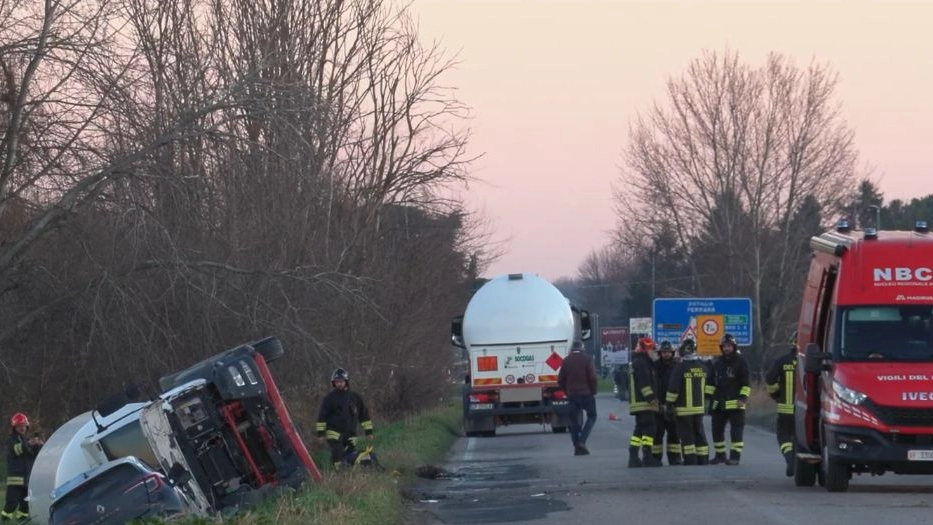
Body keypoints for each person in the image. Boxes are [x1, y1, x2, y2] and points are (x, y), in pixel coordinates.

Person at [316, 368, 375, 471]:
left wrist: (369, 432)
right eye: (337, 382)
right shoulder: (329, 399)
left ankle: (346, 470)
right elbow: (322, 417)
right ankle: (339, 472)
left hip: (350, 433)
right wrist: (320, 434)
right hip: (334, 432)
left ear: (346, 382)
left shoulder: (355, 398)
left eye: (341, 381)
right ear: (333, 383)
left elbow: (364, 416)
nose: (339, 384)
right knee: (337, 451)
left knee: (350, 453)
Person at [706, 333, 751, 465]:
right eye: (724, 346)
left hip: (736, 403)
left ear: (733, 346)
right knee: (716, 430)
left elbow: (746, 383)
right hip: (718, 404)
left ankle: (735, 457)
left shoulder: (741, 362)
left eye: (729, 346)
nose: (726, 348)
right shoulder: (717, 363)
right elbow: (710, 382)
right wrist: (709, 395)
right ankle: (720, 455)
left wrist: (743, 398)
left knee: (736, 432)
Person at [665, 339, 710, 465]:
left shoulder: (680, 368)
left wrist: (669, 405)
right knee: (700, 434)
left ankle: (690, 460)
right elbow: (708, 389)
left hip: (683, 410)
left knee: (687, 436)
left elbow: (673, 390)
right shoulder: (703, 368)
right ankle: (703, 459)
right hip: (699, 409)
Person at [558, 340, 598, 456]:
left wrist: (567, 391)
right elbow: (593, 377)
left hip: (572, 395)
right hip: (586, 394)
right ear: (582, 347)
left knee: (574, 421)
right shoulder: (587, 359)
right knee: (592, 416)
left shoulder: (566, 361)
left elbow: (560, 380)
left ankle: (577, 446)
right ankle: (582, 441)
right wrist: (593, 391)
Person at [767, 331, 799, 476]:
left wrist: (776, 395)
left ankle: (789, 457)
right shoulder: (810, 361)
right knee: (802, 438)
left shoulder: (782, 361)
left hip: (785, 408)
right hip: (805, 411)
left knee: (784, 436)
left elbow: (770, 380)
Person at [628, 337, 662, 468]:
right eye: (652, 349)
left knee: (639, 431)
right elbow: (644, 383)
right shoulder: (641, 363)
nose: (654, 352)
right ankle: (647, 457)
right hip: (644, 403)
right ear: (645, 349)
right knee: (650, 429)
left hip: (639, 403)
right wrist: (652, 399)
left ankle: (633, 456)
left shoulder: (639, 361)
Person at [3, 412, 43, 521]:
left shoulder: (26, 440)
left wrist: (38, 446)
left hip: (26, 479)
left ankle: (22, 519)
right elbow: (16, 450)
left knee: (25, 503)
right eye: (19, 426)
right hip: (15, 480)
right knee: (12, 503)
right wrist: (29, 444)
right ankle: (5, 519)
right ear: (14, 427)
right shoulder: (11, 441)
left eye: (24, 426)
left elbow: (32, 457)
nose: (22, 428)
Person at [653, 340, 682, 465]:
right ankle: (655, 458)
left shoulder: (677, 366)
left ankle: (674, 458)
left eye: (668, 352)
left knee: (674, 434)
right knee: (657, 434)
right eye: (664, 352)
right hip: (658, 404)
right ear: (660, 353)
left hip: (672, 405)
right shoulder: (654, 366)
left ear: (672, 353)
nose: (666, 354)